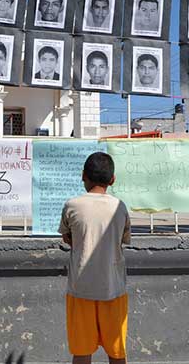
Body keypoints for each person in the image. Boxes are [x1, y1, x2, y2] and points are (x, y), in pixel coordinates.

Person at [58, 152, 130, 364]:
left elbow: (67, 237)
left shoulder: (72, 205)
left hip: (80, 289)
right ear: (112, 179)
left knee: (81, 352)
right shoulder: (120, 207)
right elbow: (122, 240)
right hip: (113, 288)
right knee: (117, 353)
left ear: (83, 176)